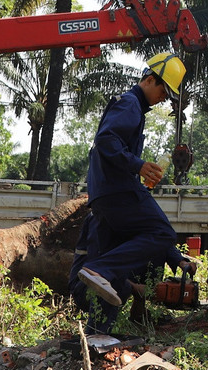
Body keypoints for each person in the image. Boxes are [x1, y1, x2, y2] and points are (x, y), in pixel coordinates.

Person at [70, 53, 197, 340]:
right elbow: (106, 140)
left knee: (110, 278)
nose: (163, 99)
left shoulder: (131, 106)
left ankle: (97, 337)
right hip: (116, 191)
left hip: (104, 194)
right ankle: (99, 269)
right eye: (163, 91)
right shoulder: (130, 103)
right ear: (149, 80)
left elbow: (110, 145)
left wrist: (138, 168)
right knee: (162, 233)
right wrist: (137, 165)